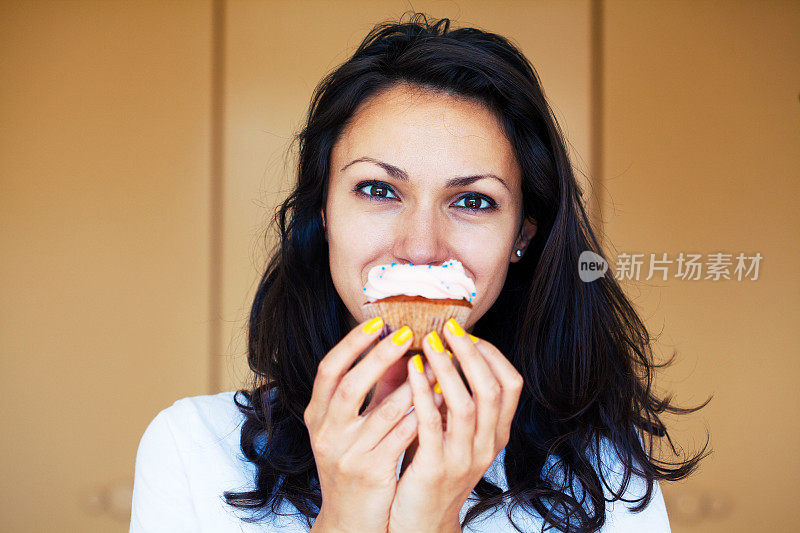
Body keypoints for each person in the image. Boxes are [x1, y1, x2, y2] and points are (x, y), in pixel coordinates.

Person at [130, 13, 708, 533]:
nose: (422, 246)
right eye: (379, 190)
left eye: (474, 201)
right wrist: (347, 518)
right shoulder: (193, 448)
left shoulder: (605, 473)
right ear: (325, 215)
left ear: (521, 238)